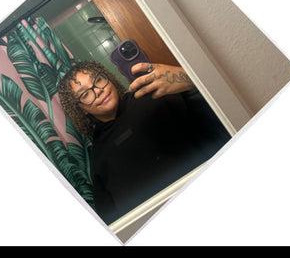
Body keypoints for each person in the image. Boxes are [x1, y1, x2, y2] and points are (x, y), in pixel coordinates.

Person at [58, 60, 231, 224]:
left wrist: (187, 77)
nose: (98, 91)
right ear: (81, 109)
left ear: (107, 77)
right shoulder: (97, 156)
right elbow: (116, 222)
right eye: (85, 94)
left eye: (98, 80)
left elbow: (223, 113)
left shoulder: (155, 93)